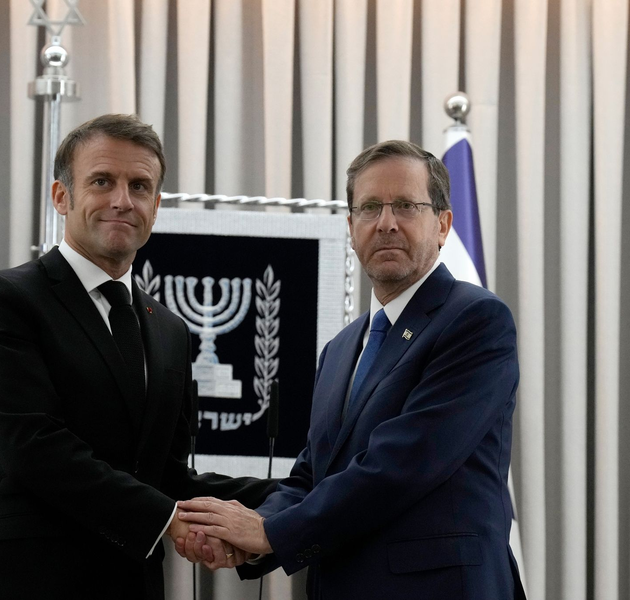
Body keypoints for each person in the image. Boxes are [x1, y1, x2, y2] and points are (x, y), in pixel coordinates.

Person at [0, 114, 275, 600]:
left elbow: (166, 474)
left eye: (139, 186)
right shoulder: (1, 298)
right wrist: (168, 519)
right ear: (61, 197)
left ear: (155, 207)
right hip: (18, 581)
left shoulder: (170, 329)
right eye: (101, 181)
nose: (122, 200)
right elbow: (33, 446)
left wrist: (291, 501)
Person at [178, 140, 526, 599]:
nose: (385, 223)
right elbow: (311, 475)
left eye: (405, 205)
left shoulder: (475, 319)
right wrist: (256, 528)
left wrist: (271, 534)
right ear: (350, 225)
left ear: (442, 224)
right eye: (369, 208)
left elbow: (402, 463)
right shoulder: (341, 349)